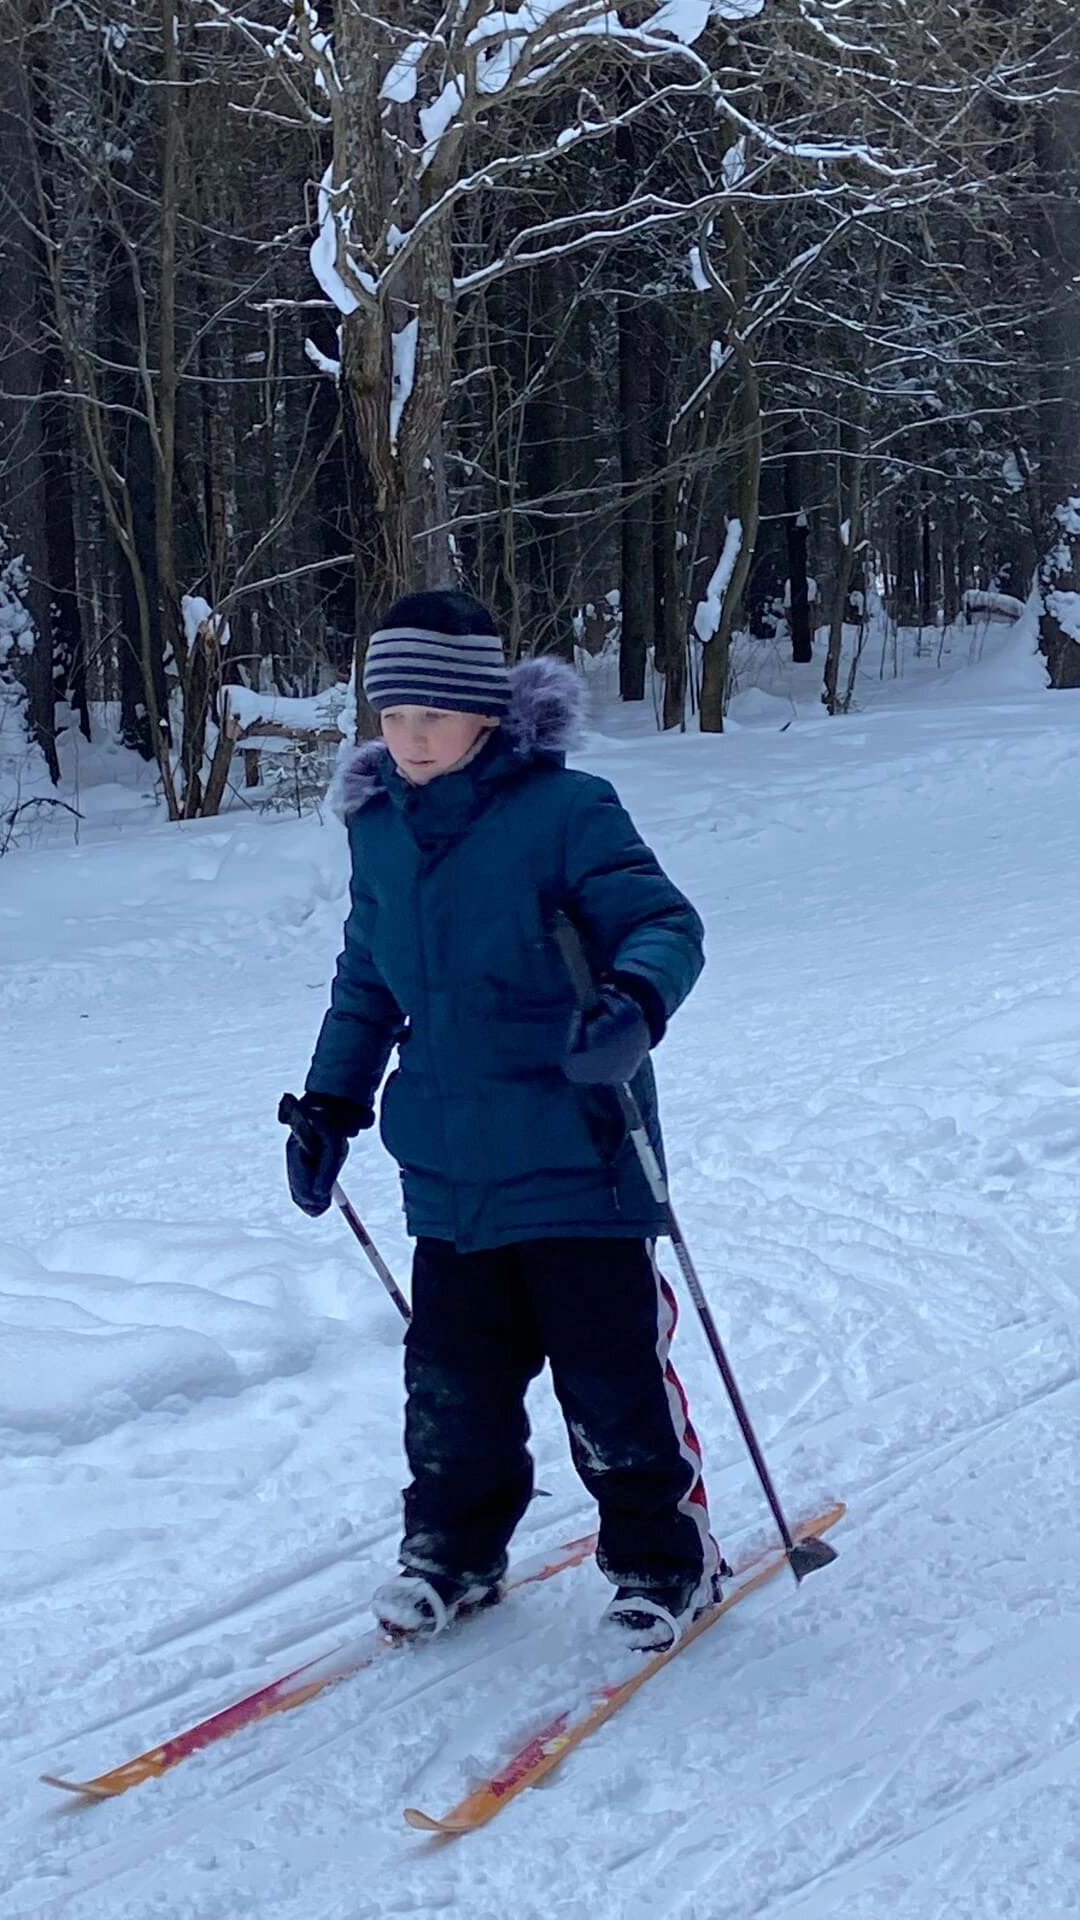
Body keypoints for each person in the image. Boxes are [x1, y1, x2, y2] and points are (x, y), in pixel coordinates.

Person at [284, 589, 721, 1653]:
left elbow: (664, 923)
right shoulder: (379, 828)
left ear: (486, 711)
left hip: (580, 1154)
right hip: (450, 1171)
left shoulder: (566, 809)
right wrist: (332, 1103)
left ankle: (667, 1561)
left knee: (612, 1386)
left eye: (432, 711)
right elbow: (365, 983)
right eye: (391, 714)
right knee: (451, 1391)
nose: (411, 734)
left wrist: (634, 1008)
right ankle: (453, 1550)